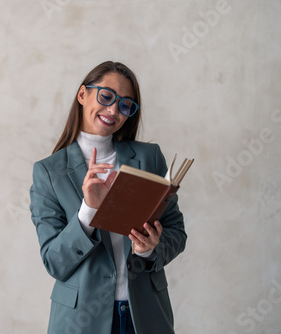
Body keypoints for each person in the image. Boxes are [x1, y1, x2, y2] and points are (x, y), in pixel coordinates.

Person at [29, 61, 187, 334]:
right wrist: (88, 209)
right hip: (81, 320)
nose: (114, 110)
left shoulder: (149, 158)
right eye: (106, 96)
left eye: (125, 104)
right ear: (82, 95)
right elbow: (54, 261)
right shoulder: (49, 172)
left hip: (145, 315)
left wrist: (149, 249)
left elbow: (177, 233)